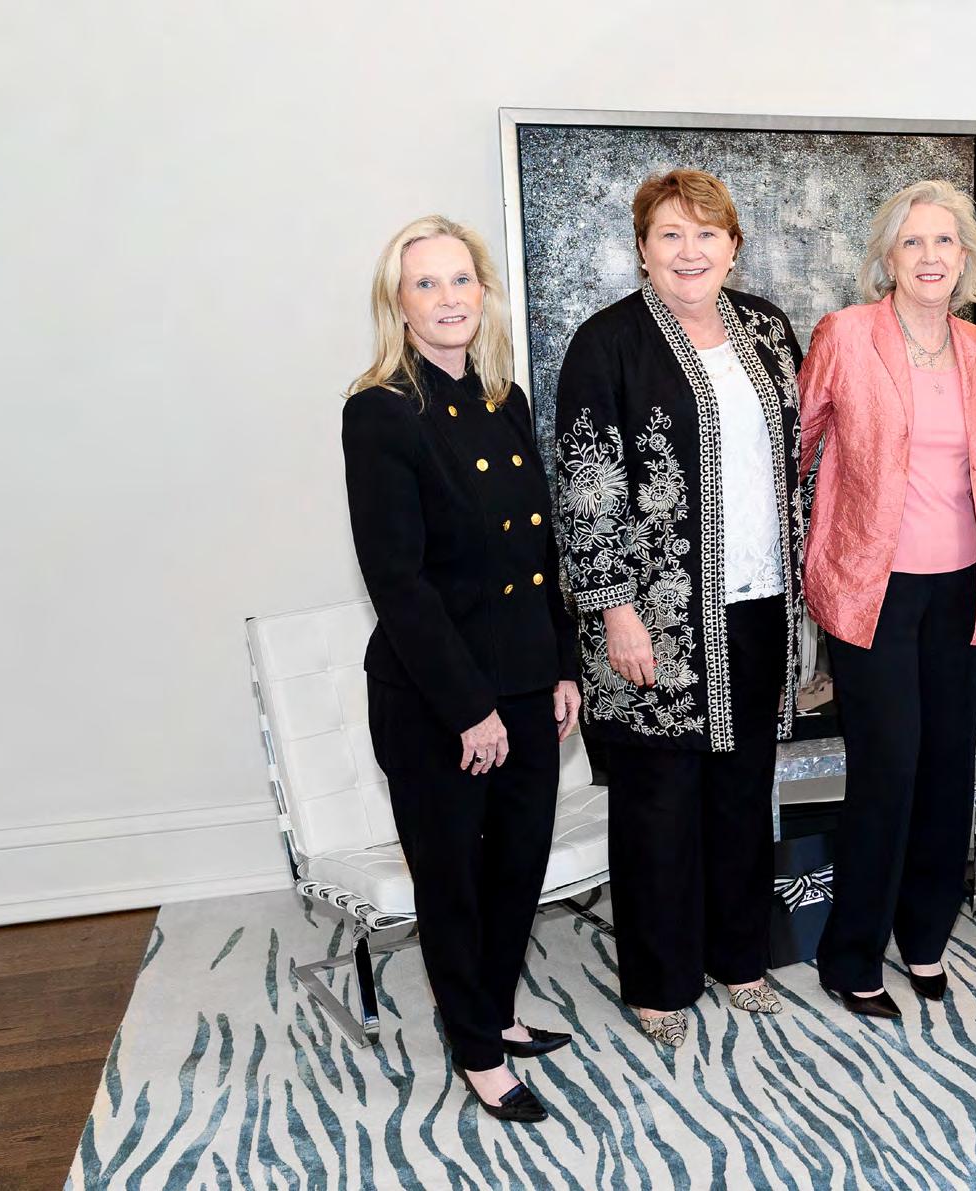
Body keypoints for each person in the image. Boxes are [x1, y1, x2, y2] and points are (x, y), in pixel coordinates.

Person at [552, 169, 806, 1049]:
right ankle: (659, 981)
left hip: (759, 601)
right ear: (642, 249)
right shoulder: (606, 343)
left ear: (733, 246)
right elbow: (586, 487)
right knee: (658, 803)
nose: (689, 251)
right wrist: (614, 609)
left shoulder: (767, 330)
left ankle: (739, 958)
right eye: (669, 234)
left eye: (706, 234)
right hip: (654, 617)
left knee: (742, 790)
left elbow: (798, 460)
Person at [340, 215, 581, 1122]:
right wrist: (468, 708)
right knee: (454, 882)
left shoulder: (502, 397)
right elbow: (396, 582)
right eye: (425, 284)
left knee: (517, 866)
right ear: (398, 307)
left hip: (525, 679)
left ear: (483, 292)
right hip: (436, 697)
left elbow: (540, 553)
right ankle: (476, 1048)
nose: (448, 298)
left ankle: (496, 1010)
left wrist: (562, 666)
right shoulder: (379, 411)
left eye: (460, 280)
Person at [798, 180, 976, 1020]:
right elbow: (797, 446)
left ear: (965, 257)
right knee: (887, 770)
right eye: (912, 241)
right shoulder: (846, 334)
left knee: (948, 770)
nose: (928, 256)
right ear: (887, 257)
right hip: (870, 591)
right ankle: (849, 953)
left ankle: (924, 936)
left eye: (943, 241)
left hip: (961, 588)